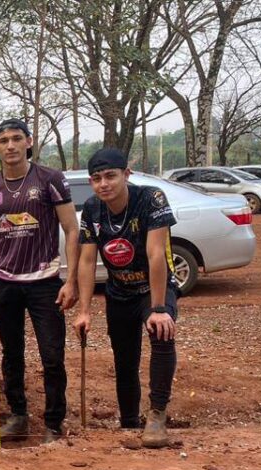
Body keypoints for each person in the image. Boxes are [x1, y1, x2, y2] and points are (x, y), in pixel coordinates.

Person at [0, 119, 80, 443]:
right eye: (3, 140)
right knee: (11, 354)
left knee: (52, 356)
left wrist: (70, 281)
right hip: (4, 282)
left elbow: (72, 229)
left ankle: (53, 424)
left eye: (17, 138)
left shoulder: (50, 179)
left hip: (45, 280)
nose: (10, 146)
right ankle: (17, 416)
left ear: (29, 141)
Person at [72, 148, 180, 448]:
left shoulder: (150, 198)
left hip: (153, 287)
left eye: (110, 176)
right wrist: (84, 311)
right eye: (96, 179)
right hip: (119, 291)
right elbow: (85, 261)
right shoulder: (93, 209)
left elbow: (156, 253)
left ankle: (157, 414)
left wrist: (158, 308)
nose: (103, 184)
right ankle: (129, 421)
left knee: (161, 334)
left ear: (126, 175)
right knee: (124, 358)